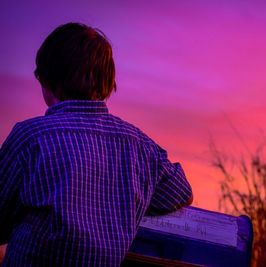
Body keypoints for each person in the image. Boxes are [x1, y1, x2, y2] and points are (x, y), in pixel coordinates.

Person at [0, 22, 193, 266]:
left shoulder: (31, 137)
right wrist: (126, 198)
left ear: (48, 79)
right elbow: (181, 191)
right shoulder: (138, 145)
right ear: (107, 82)